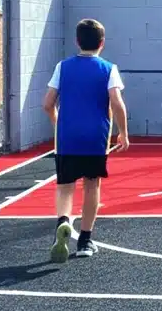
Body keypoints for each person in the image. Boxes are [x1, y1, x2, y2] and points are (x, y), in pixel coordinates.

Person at [42, 18, 129, 263]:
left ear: (77, 41)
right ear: (102, 43)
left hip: (67, 137)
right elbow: (116, 101)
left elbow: (47, 103)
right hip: (95, 138)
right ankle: (85, 241)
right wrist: (123, 131)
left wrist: (57, 121)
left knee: (65, 186)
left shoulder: (63, 67)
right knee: (92, 186)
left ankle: (63, 222)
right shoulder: (108, 68)